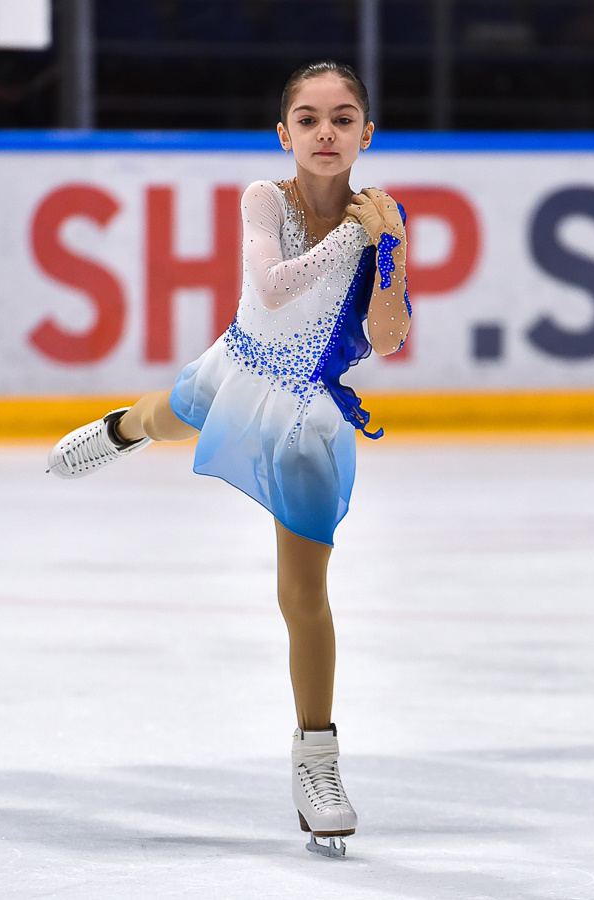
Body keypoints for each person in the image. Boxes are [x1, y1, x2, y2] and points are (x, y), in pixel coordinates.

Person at [47, 59, 411, 858]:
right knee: (164, 418)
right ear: (283, 134)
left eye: (342, 118)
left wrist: (388, 251)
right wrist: (358, 234)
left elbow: (387, 337)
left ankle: (316, 760)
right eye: (308, 119)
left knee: (303, 593)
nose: (325, 132)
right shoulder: (264, 199)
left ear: (366, 133)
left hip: (305, 414)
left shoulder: (384, 219)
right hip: (236, 366)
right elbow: (272, 289)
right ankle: (120, 431)